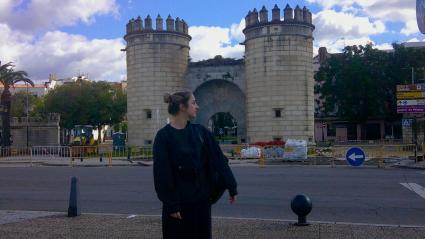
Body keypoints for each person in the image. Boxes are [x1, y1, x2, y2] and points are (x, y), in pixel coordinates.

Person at [153, 91, 238, 239]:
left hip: (201, 203)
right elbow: (162, 173)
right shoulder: (163, 136)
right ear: (182, 107)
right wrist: (171, 204)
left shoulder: (201, 132)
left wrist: (231, 186)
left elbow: (218, 159)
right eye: (193, 102)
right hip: (178, 205)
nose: (197, 106)